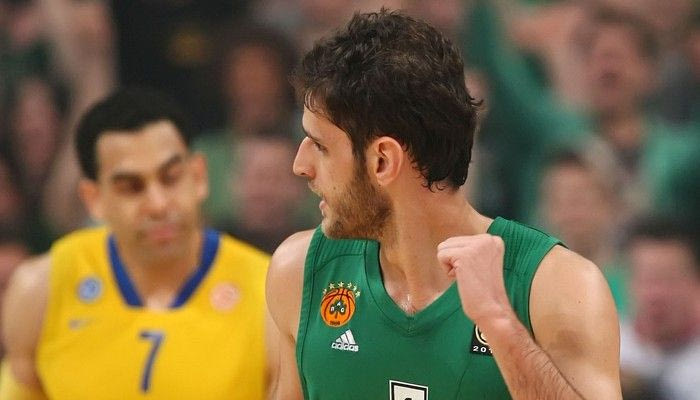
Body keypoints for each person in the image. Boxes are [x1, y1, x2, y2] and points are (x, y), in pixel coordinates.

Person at [266, 10, 622, 399]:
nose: (300, 166)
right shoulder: (299, 271)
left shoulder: (557, 287)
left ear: (382, 160)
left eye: (320, 146)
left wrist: (499, 323)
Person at [0, 88, 274, 399]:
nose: (158, 204)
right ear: (94, 199)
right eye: (131, 187)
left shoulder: (267, 294)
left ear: (198, 176)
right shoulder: (40, 289)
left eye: (171, 177)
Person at [620, 216, 700, 400]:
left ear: (695, 282)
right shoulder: (607, 350)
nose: (655, 295)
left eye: (668, 279)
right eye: (647, 279)